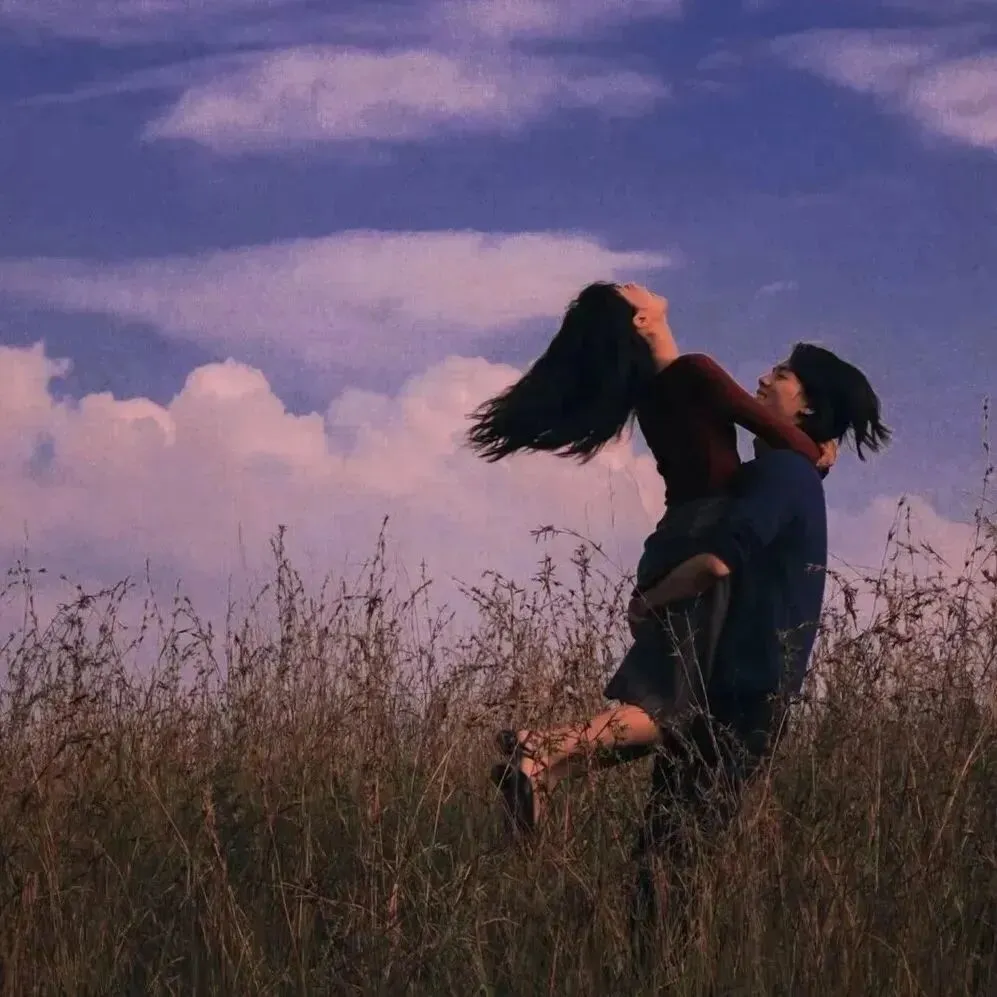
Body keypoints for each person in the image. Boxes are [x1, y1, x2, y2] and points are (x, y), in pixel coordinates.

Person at [466, 282, 890, 833]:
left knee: (670, 704)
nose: (766, 377)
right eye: (633, 292)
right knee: (670, 707)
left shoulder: (653, 393)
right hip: (697, 535)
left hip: (671, 536)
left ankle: (551, 769)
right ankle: (543, 751)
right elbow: (763, 428)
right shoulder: (698, 372)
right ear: (642, 321)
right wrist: (817, 451)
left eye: (781, 373)